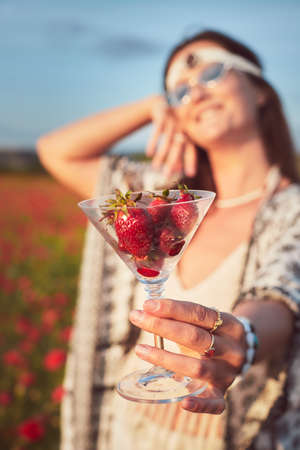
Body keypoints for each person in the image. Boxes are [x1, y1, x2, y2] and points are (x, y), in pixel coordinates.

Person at [37, 29, 300, 450]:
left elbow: (281, 294)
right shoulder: (155, 199)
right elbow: (55, 150)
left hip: (218, 435)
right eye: (179, 92)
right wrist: (150, 108)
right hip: (123, 428)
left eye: (211, 71)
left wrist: (243, 339)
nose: (195, 92)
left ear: (260, 89)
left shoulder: (293, 210)